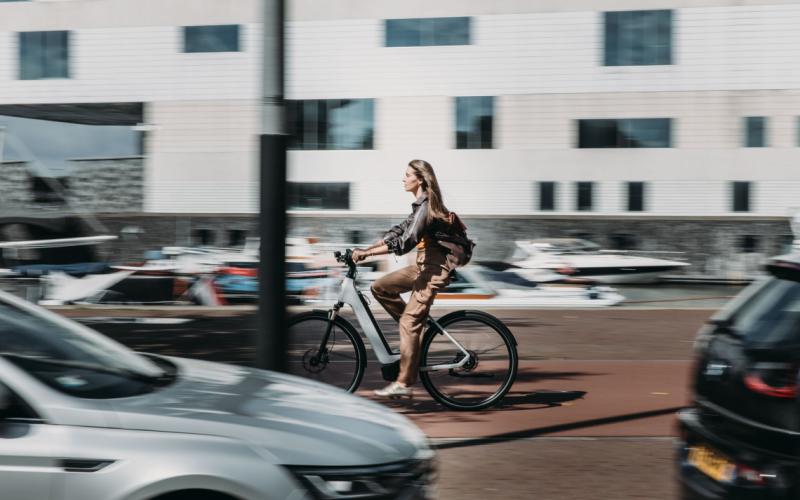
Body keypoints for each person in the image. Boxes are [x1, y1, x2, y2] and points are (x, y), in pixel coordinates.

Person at [352, 159, 454, 398]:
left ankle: (404, 381)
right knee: (380, 287)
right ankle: (413, 332)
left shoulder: (428, 205)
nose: (403, 178)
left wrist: (367, 254)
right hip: (421, 267)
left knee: (408, 322)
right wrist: (365, 248)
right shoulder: (419, 205)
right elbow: (398, 231)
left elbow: (405, 242)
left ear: (419, 179)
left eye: (407, 174)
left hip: (434, 270)